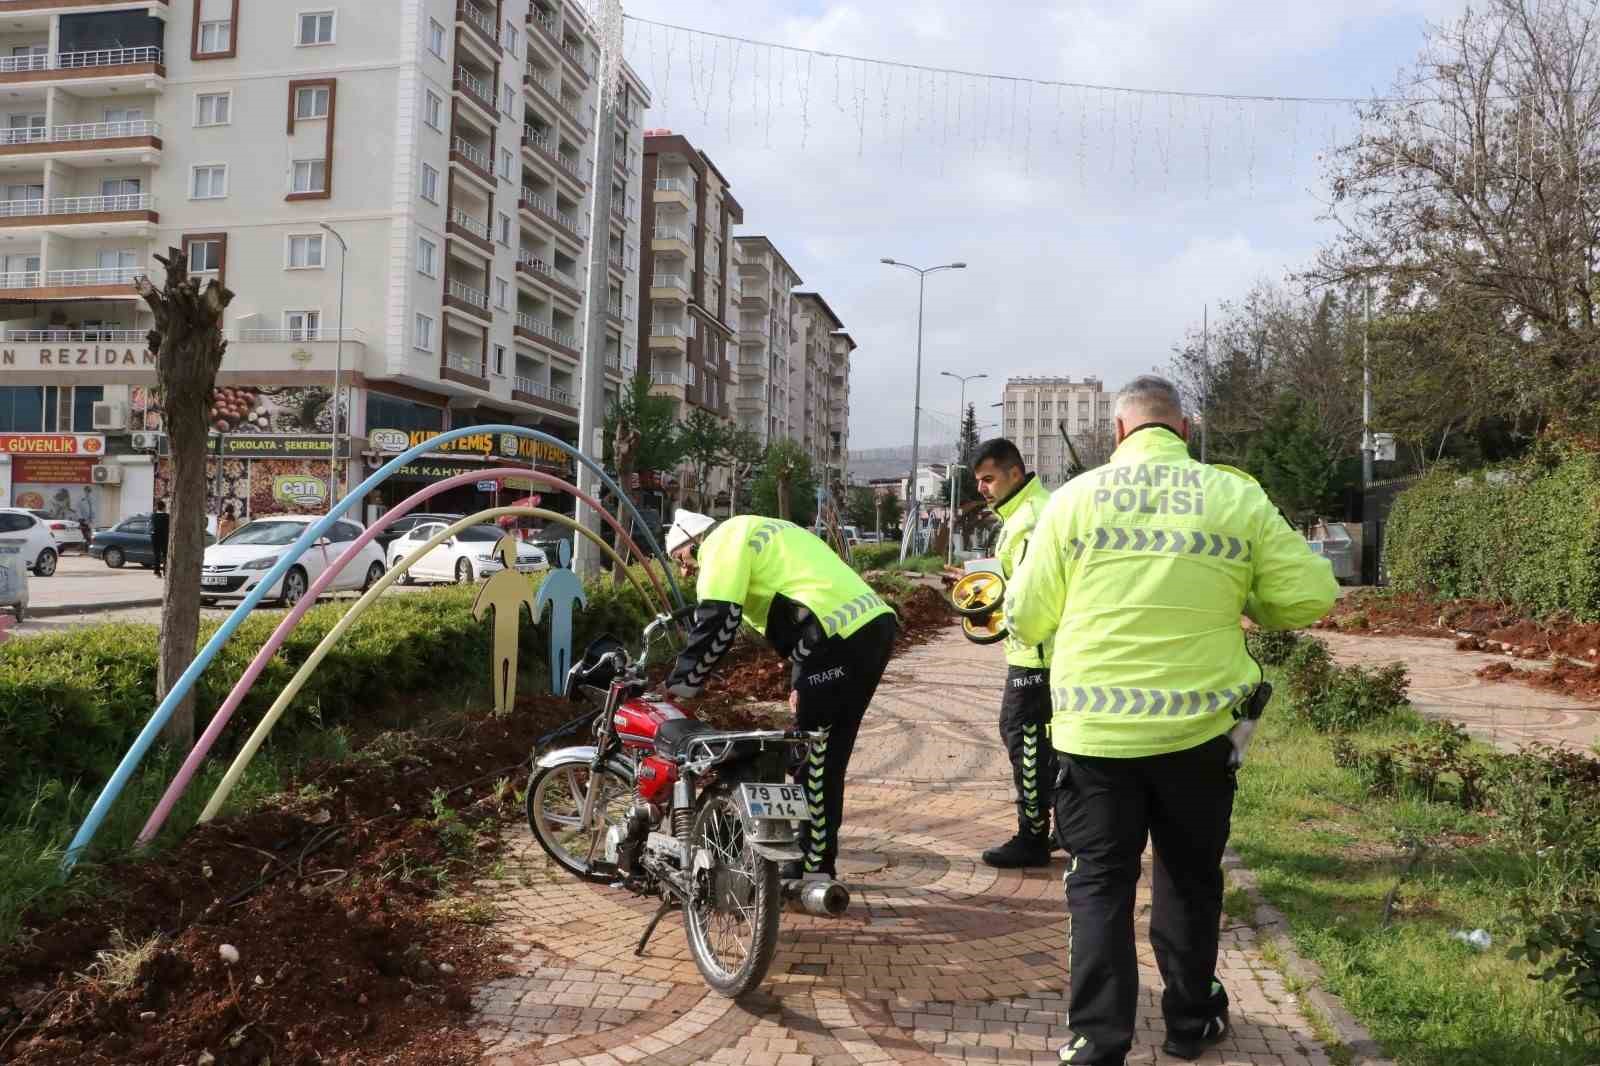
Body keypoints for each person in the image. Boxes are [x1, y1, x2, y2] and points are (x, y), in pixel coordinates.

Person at [1004, 375, 1338, 1065]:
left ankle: (1098, 1041)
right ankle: (1190, 1021)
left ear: (1119, 433)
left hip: (1095, 738)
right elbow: (1311, 593)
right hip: (1200, 736)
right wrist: (1246, 600)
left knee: (1099, 883)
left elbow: (1027, 617)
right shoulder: (1233, 495)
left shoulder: (1072, 501)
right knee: (1189, 876)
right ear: (1184, 433)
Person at [662, 509, 898, 882]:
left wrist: (681, 686)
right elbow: (807, 597)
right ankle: (814, 858)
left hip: (835, 639)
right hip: (869, 628)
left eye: (682, 559)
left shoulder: (722, 541)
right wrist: (800, 680)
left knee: (813, 758)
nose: (686, 571)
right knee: (826, 752)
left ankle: (811, 868)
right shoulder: (762, 528)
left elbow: (719, 619)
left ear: (693, 542)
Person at [944, 438, 1060, 868]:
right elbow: (1016, 576)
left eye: (989, 479)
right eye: (978, 481)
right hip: (1044, 650)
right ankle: (1064, 826)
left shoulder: (1029, 519)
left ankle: (1032, 837)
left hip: (1037, 652)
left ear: (1015, 472)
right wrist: (977, 579)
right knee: (1049, 743)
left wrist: (984, 596)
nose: (983, 489)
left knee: (1023, 736)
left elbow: (1033, 592)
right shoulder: (1028, 511)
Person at [150, 499, 170, 578]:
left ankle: (157, 572)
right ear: (164, 507)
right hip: (164, 537)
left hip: (155, 537)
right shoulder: (167, 516)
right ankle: (166, 572)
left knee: (156, 555)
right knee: (165, 555)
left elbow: (152, 527)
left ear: (157, 507)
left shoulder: (153, 516)